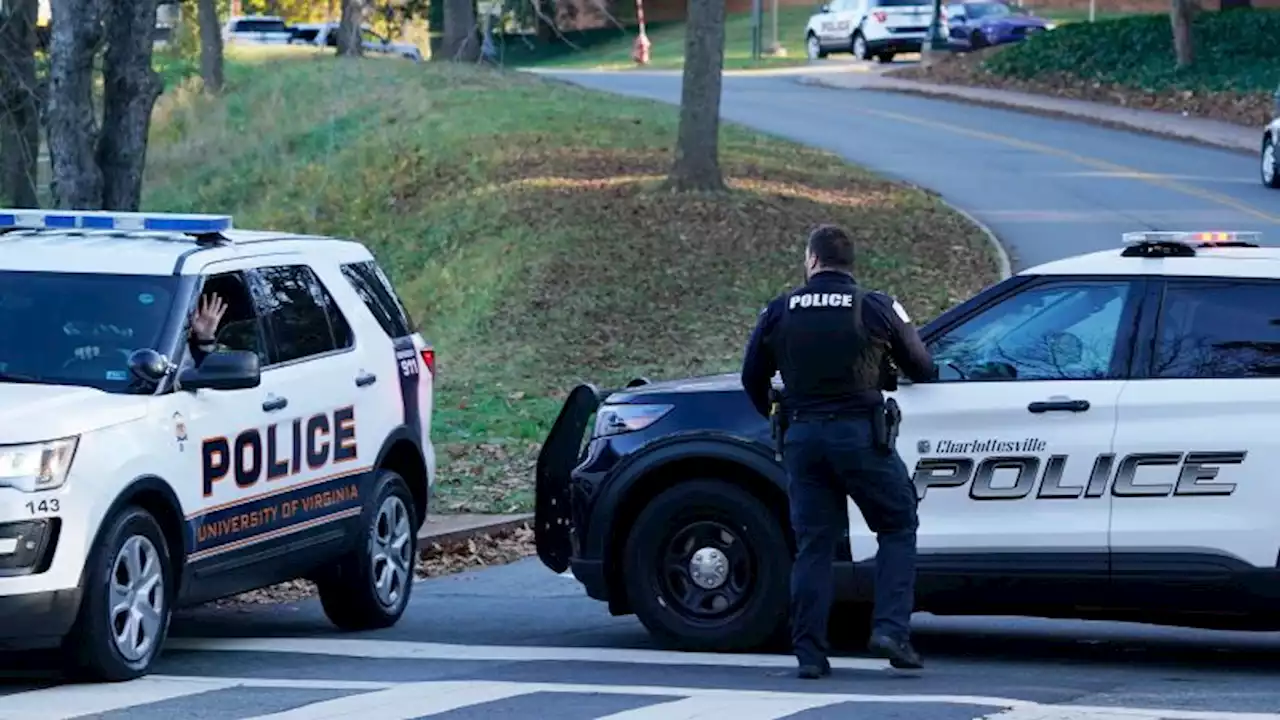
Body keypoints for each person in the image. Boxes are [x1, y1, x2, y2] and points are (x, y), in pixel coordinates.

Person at [740, 224, 937, 678]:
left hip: (803, 440)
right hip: (860, 437)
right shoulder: (875, 306)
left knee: (814, 545)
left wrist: (777, 416)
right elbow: (922, 367)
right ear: (850, 263)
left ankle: (809, 653)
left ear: (812, 260)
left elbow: (752, 376)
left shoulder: (779, 310)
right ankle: (890, 630)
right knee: (897, 523)